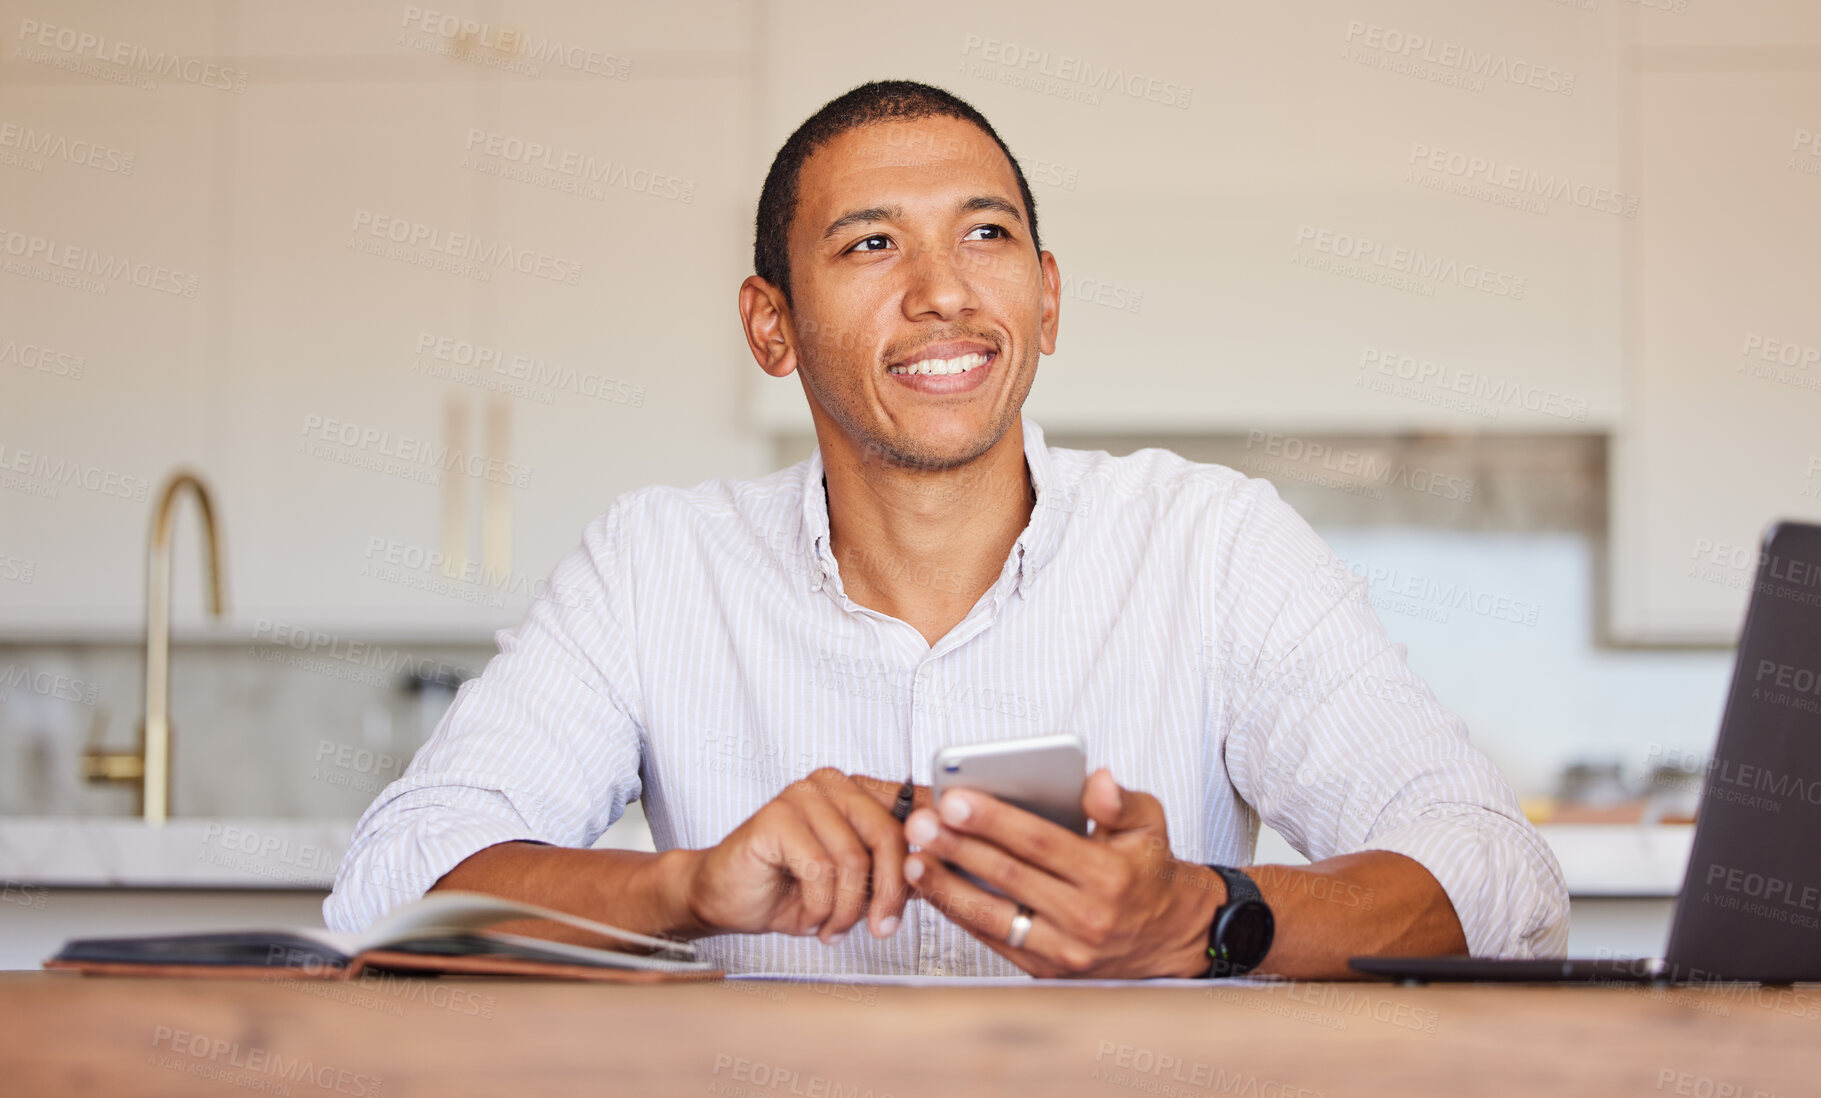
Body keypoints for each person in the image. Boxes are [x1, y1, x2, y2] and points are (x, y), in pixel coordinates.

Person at [326, 80, 1568, 979]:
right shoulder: (655, 569)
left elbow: (1498, 881)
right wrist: (682, 888)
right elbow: (391, 892)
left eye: (987, 235)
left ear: (1046, 294)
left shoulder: (1211, 545)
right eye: (872, 244)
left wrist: (1203, 914)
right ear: (771, 326)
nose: (943, 293)